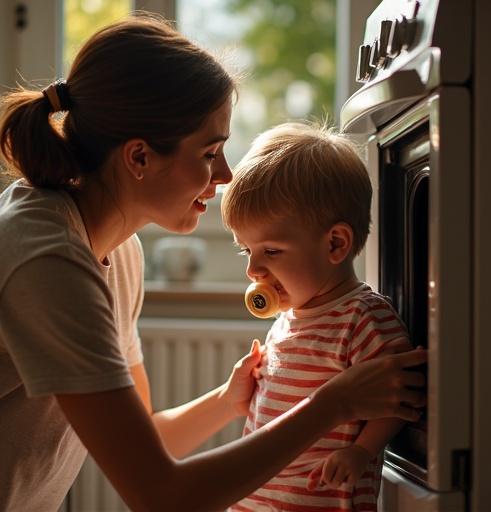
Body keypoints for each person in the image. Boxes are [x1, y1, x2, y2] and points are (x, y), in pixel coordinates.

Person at [0, 14, 426, 512]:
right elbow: (161, 496)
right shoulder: (48, 260)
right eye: (210, 152)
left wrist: (228, 400)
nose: (223, 175)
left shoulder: (122, 252)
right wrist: (335, 403)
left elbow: (153, 442)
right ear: (139, 158)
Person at [221, 122, 418, 511]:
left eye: (271, 251)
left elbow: (400, 395)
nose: (253, 271)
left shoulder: (363, 317)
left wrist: (362, 450)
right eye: (247, 251)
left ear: (335, 244)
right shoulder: (290, 316)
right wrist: (253, 394)